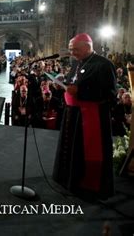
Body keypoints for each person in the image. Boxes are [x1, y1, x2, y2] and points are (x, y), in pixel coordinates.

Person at [53, 33, 117, 200]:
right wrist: (62, 83)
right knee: (71, 148)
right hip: (72, 116)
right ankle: (67, 178)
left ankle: (86, 184)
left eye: (75, 50)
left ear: (88, 47)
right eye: (71, 50)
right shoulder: (76, 63)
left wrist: (81, 92)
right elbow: (72, 82)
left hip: (91, 118)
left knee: (86, 152)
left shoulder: (104, 65)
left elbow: (111, 95)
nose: (72, 53)